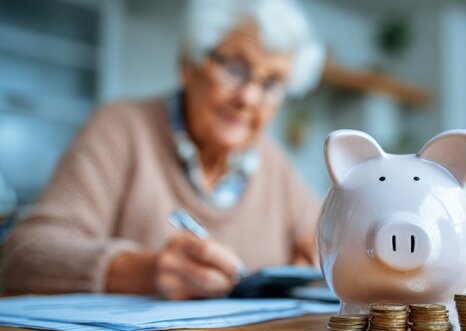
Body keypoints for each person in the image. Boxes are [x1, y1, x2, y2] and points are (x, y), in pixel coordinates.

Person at [1, 0, 325, 300]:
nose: (249, 99)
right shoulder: (120, 129)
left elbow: (327, 239)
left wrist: (323, 252)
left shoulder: (274, 161)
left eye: (271, 84)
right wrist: (143, 271)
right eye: (236, 69)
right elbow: (22, 256)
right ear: (189, 65)